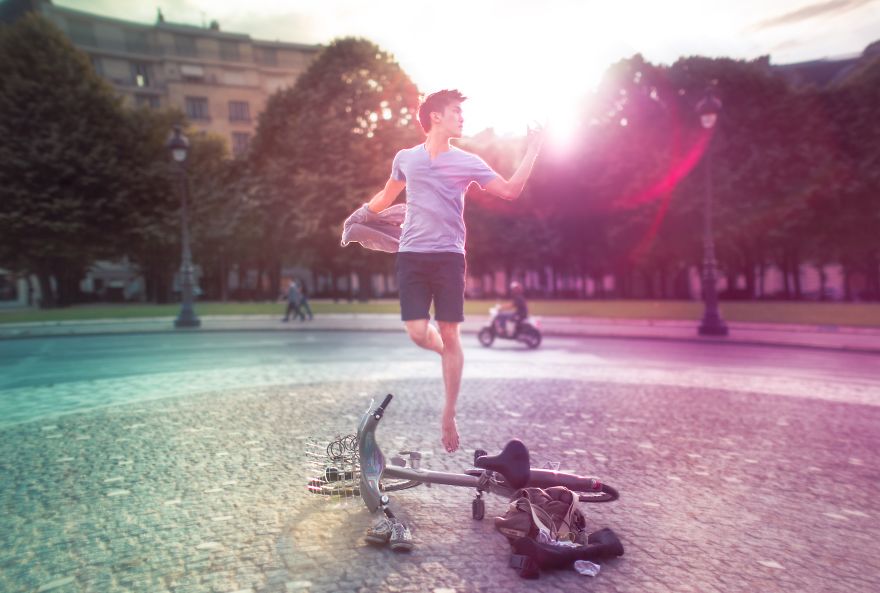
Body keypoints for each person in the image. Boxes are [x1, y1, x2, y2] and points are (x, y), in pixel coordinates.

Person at [364, 89, 544, 453]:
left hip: (449, 257)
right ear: (435, 117)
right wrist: (361, 215)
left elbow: (510, 191)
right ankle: (446, 353)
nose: (462, 118)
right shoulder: (406, 158)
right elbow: (386, 196)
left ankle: (448, 414)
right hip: (411, 255)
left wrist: (533, 150)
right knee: (418, 332)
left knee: (450, 334)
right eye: (456, 112)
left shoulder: (467, 162)